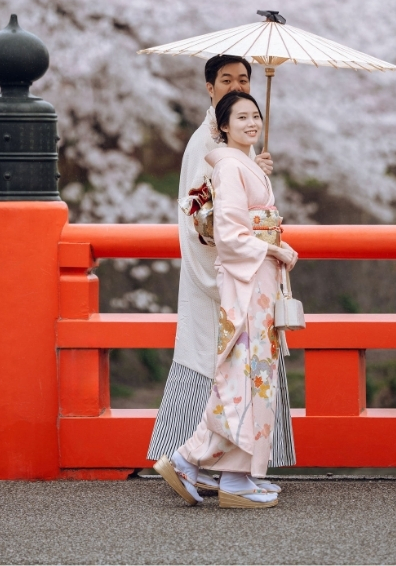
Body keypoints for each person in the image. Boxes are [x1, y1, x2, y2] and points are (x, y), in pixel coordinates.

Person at [147, 56, 296, 493]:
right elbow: (206, 217)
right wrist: (265, 243)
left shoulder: (233, 150)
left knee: (245, 375)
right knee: (234, 374)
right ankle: (194, 459)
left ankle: (227, 469)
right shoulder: (208, 144)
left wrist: (254, 172)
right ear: (209, 89)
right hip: (230, 273)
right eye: (227, 81)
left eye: (244, 81)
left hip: (248, 272)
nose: (237, 87)